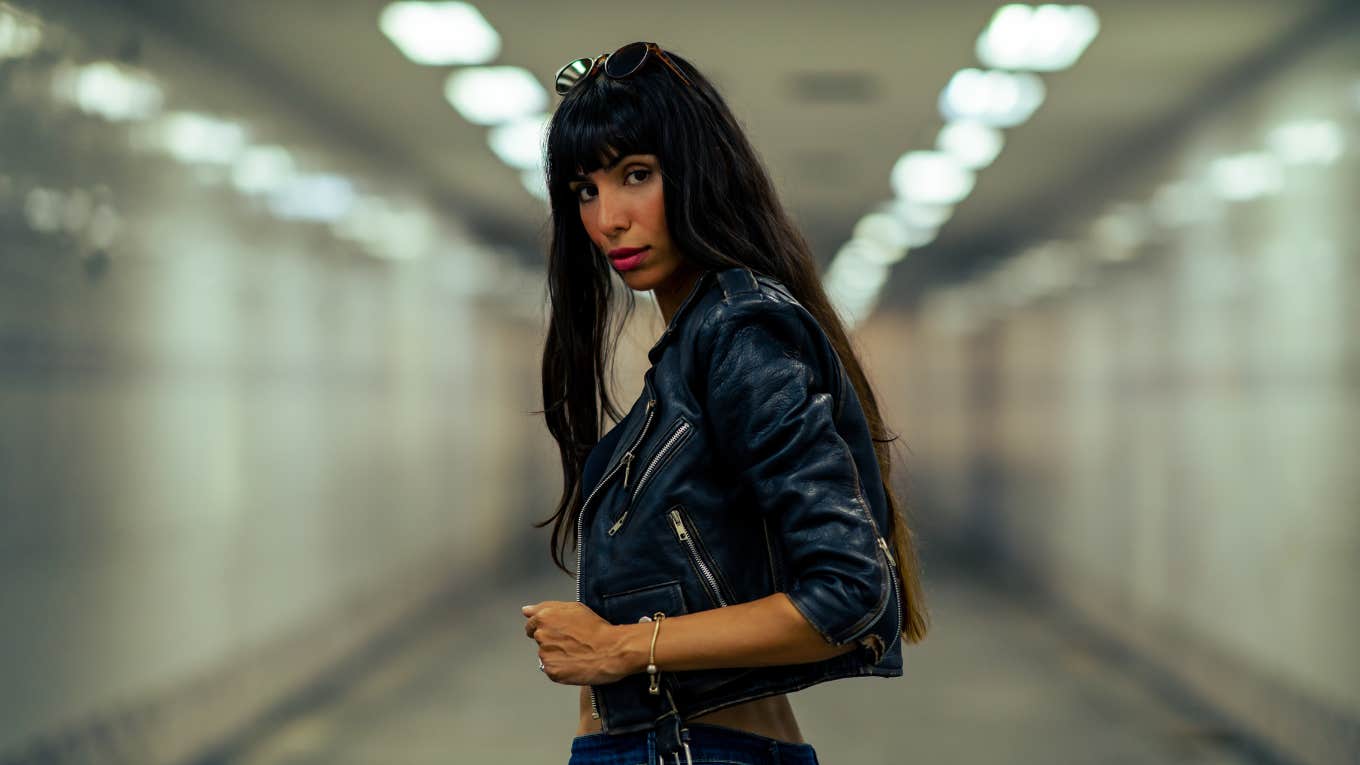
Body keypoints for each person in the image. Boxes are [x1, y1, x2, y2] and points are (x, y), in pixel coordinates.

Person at [521, 42, 929, 765]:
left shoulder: (739, 335)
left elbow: (849, 589)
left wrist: (619, 645)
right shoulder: (697, 344)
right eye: (585, 189)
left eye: (635, 175)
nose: (608, 217)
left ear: (699, 173)